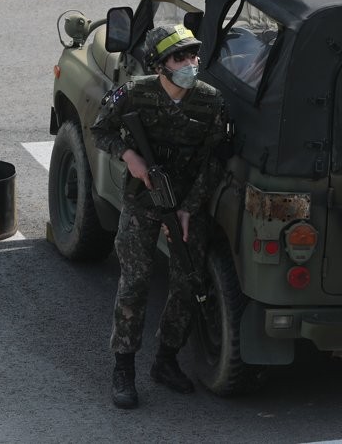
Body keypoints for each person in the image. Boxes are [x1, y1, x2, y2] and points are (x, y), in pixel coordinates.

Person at [91, 24, 228, 409]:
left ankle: (166, 361)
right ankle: (124, 368)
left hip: (184, 205)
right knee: (134, 283)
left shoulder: (211, 102)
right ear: (160, 65)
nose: (190, 63)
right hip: (141, 203)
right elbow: (101, 129)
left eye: (193, 55)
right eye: (179, 57)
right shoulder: (133, 93)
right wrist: (128, 155)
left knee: (187, 282)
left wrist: (188, 208)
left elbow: (213, 161)